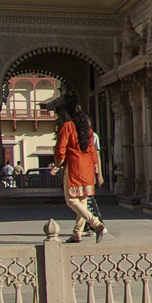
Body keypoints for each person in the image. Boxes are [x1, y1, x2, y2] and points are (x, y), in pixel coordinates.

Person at [51, 98, 107, 243]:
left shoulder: (68, 127)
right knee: (82, 200)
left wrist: (58, 162)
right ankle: (77, 233)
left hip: (74, 166)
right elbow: (92, 151)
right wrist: (95, 168)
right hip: (87, 166)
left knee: (71, 200)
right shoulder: (86, 128)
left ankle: (95, 223)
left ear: (68, 113)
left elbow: (60, 148)